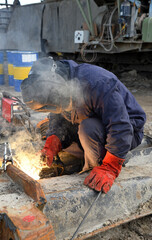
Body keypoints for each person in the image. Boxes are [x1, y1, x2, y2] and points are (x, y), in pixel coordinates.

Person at [21, 57, 146, 193]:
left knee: (88, 128)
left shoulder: (97, 84)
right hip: (95, 122)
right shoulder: (60, 86)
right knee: (54, 127)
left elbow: (120, 126)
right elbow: (58, 117)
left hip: (128, 131)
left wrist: (110, 166)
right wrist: (53, 141)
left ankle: (98, 167)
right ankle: (90, 153)